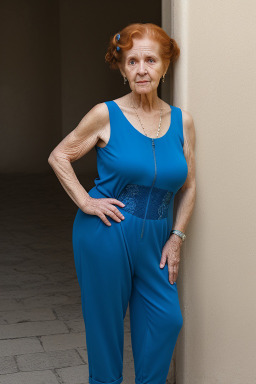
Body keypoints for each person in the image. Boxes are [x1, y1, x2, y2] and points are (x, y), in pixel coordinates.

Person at [48, 22, 196, 384]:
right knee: (105, 331)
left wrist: (176, 236)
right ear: (122, 68)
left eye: (149, 60)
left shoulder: (182, 121)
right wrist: (86, 202)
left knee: (166, 320)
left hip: (158, 237)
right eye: (131, 61)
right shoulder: (106, 114)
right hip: (106, 233)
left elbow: (190, 186)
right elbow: (60, 156)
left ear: (164, 66)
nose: (141, 69)